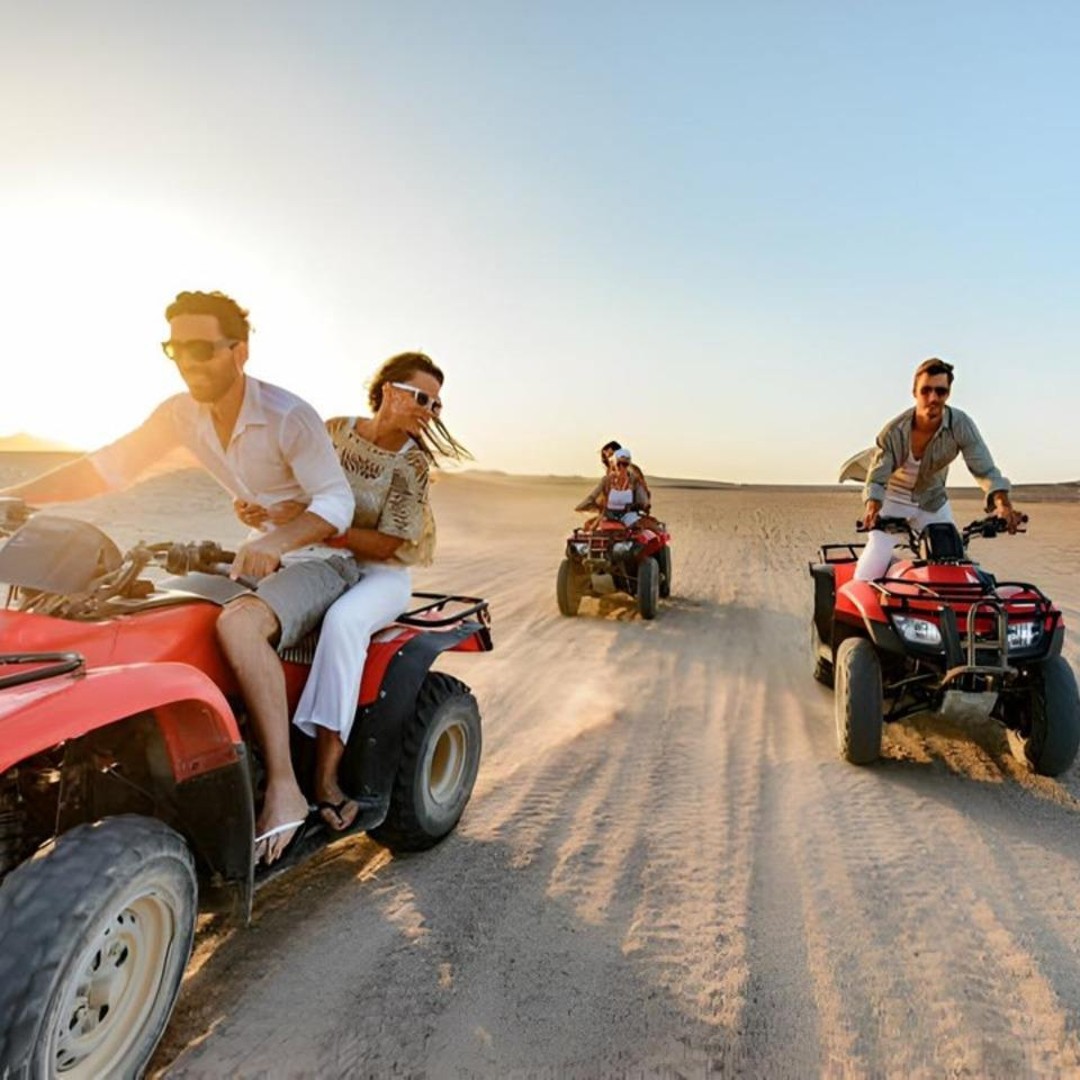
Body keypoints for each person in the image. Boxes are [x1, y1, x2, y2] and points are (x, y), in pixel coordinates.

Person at [0, 291, 356, 864]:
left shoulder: (288, 416)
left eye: (201, 348)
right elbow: (107, 467)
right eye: (175, 348)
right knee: (138, 616)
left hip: (319, 561)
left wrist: (276, 541)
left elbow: (336, 503)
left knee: (239, 628)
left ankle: (286, 789)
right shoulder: (179, 414)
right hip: (254, 555)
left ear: (239, 350)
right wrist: (13, 499)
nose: (188, 361)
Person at [236, 352, 469, 833]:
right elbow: (300, 493)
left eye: (437, 405)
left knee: (343, 622)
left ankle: (325, 776)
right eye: (422, 397)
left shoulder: (414, 464)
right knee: (233, 585)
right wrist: (264, 512)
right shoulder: (335, 429)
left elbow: (387, 542)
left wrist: (318, 528)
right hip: (318, 556)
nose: (430, 410)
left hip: (379, 573)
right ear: (389, 390)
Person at [854, 357, 1024, 582]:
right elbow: (876, 480)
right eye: (926, 391)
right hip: (893, 501)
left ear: (948, 394)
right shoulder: (894, 432)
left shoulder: (960, 425)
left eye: (941, 392)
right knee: (868, 573)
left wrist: (1003, 505)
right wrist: (873, 507)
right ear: (914, 392)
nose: (933, 398)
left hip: (932, 502)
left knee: (957, 569)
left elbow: (985, 470)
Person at [575, 439, 651, 513]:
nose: (609, 459)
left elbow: (642, 497)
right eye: (607, 457)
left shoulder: (632, 471)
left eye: (611, 455)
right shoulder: (611, 472)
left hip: (630, 509)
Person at [595, 447, 651, 526]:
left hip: (627, 515)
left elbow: (643, 500)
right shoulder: (608, 478)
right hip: (610, 516)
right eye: (619, 464)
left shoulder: (634, 477)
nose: (621, 467)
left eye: (624, 464)